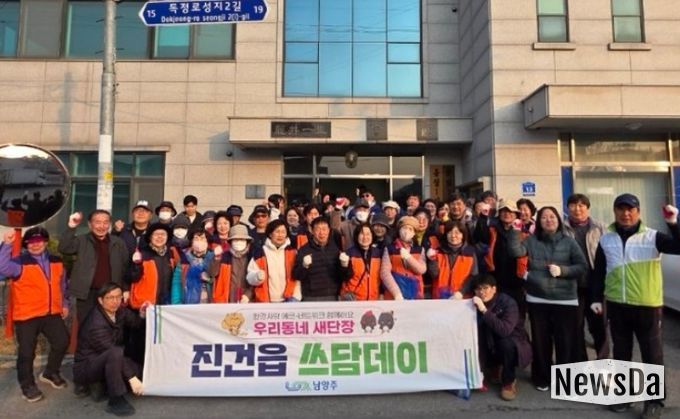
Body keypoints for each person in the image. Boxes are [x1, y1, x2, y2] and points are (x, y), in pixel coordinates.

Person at [592, 194, 680, 417]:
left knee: (652, 355)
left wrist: (673, 223)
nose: (626, 213)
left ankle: (654, 402)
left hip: (647, 305)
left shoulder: (652, 237)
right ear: (614, 212)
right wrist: (595, 298)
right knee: (621, 353)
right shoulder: (606, 239)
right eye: (621, 209)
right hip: (617, 305)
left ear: (638, 212)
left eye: (630, 209)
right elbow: (598, 272)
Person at [508, 206, 587, 392]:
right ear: (539, 222)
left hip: (565, 300)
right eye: (544, 217)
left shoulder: (569, 242)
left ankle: (566, 379)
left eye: (552, 217)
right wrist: (515, 231)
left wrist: (563, 271)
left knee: (565, 342)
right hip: (538, 298)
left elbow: (582, 266)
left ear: (558, 220)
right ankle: (542, 377)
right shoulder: (531, 240)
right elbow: (515, 252)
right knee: (541, 341)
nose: (548, 220)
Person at [0, 228, 70, 403]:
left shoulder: (56, 261)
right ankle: (27, 385)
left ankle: (50, 372)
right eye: (31, 242)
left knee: (62, 342)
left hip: (51, 312)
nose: (35, 244)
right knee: (26, 353)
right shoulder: (19, 262)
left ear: (45, 242)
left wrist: (64, 304)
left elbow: (62, 285)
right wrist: (7, 244)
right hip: (27, 315)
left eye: (39, 241)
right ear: (26, 245)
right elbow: (3, 268)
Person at [73, 283, 147, 417]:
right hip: (87, 366)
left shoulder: (120, 311)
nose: (115, 301)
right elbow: (112, 351)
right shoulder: (95, 323)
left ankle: (101, 385)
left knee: (140, 372)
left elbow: (136, 323)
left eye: (118, 297)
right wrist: (131, 378)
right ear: (101, 300)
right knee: (118, 356)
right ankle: (115, 400)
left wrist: (142, 314)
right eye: (110, 298)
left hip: (110, 360)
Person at [58, 210, 129, 325]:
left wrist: (125, 289)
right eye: (98, 222)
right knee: (86, 326)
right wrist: (71, 227)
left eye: (105, 222)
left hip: (110, 293)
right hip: (86, 294)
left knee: (109, 326)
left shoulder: (118, 243)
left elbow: (125, 268)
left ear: (110, 224)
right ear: (90, 224)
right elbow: (64, 248)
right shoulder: (81, 240)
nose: (102, 226)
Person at [562, 193, 608, 361]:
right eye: (573, 205)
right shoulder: (562, 228)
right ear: (568, 208)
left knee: (599, 327)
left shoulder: (600, 227)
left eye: (581, 205)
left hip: (596, 286)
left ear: (587, 208)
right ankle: (581, 364)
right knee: (576, 327)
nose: (577, 209)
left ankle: (603, 364)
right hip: (572, 286)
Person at [471, 274, 531, 401]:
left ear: (494, 289)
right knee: (475, 335)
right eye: (478, 289)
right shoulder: (472, 303)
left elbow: (505, 330)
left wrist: (484, 310)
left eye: (485, 288)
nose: (482, 292)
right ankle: (490, 367)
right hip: (488, 341)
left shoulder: (508, 303)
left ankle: (508, 381)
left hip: (513, 342)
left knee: (506, 344)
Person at [127, 223, 176, 364]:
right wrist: (136, 265)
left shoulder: (171, 255)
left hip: (164, 306)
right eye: (156, 234)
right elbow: (131, 277)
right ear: (150, 237)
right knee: (141, 342)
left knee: (160, 343)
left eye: (163, 234)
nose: (159, 237)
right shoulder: (142, 254)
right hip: (144, 306)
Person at [474, 199, 527, 319]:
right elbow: (479, 237)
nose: (507, 214)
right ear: (499, 213)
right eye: (504, 211)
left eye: (511, 211)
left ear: (516, 214)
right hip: (496, 280)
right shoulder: (492, 230)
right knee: (496, 316)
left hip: (517, 282)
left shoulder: (523, 232)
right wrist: (483, 217)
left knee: (517, 317)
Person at [293, 216, 348, 301]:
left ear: (329, 230)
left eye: (324, 229)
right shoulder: (304, 250)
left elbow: (344, 276)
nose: (321, 233)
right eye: (318, 229)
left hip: (333, 296)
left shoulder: (335, 249)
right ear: (312, 231)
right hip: (311, 297)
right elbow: (297, 275)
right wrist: (304, 266)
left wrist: (344, 266)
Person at [247, 219, 301, 302]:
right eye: (277, 231)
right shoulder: (260, 253)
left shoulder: (293, 252)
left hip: (289, 300)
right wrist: (257, 276)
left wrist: (296, 296)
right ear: (270, 234)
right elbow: (249, 277)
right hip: (266, 302)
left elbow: (298, 278)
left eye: (283, 232)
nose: (280, 235)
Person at [427, 221, 478, 299]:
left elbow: (473, 276)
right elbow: (434, 274)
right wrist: (432, 259)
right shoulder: (438, 251)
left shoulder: (470, 252)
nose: (453, 236)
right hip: (440, 297)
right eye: (450, 233)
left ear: (463, 235)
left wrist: (461, 292)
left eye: (457, 233)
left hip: (461, 297)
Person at [170, 228, 223, 304]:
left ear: (207, 242)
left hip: (209, 302)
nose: (199, 241)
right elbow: (177, 282)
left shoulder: (214, 258)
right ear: (191, 242)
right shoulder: (184, 259)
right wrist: (176, 302)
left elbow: (220, 279)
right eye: (196, 238)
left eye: (202, 239)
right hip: (188, 302)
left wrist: (209, 279)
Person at [380, 216, 427, 300]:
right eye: (404, 228)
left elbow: (421, 270)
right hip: (394, 295)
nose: (407, 231)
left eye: (410, 229)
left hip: (415, 293)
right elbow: (385, 273)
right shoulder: (389, 249)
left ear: (414, 233)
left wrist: (409, 257)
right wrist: (396, 293)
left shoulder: (420, 249)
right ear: (399, 230)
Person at [340, 223, 382, 301]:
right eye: (362, 234)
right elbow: (343, 277)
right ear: (357, 236)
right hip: (353, 300)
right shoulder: (349, 253)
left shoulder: (378, 254)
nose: (365, 237)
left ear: (372, 236)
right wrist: (344, 266)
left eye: (368, 234)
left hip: (373, 300)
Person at [215, 224, 253, 303]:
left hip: (247, 301)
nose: (238, 242)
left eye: (242, 239)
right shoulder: (224, 256)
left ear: (247, 242)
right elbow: (213, 273)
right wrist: (216, 258)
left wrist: (248, 294)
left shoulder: (251, 257)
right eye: (235, 240)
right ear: (230, 242)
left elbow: (256, 281)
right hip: (227, 300)